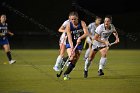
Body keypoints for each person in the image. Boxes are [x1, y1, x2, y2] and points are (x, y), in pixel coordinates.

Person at [63, 11, 88, 80]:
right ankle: (64, 59)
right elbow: (70, 38)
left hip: (79, 42)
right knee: (72, 56)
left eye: (75, 19)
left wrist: (80, 38)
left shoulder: (82, 23)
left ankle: (66, 74)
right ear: (69, 19)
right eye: (72, 19)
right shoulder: (68, 25)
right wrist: (72, 48)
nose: (73, 21)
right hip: (70, 42)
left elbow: (86, 33)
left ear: (77, 18)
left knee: (75, 60)